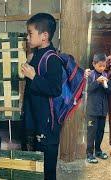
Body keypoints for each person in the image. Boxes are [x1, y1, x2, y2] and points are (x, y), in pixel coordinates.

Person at [21, 13, 63, 180]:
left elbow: (55, 89)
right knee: (36, 166)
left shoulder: (53, 58)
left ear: (44, 36)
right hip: (36, 120)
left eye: (30, 33)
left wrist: (33, 77)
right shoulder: (37, 54)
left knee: (47, 169)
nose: (27, 36)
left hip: (48, 125)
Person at [86, 53, 111, 163]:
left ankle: (98, 150)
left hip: (102, 110)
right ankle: (89, 153)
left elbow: (110, 92)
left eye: (104, 66)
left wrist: (106, 84)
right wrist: (97, 82)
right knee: (91, 132)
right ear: (94, 64)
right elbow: (88, 90)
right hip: (92, 110)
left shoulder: (106, 75)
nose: (102, 68)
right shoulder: (90, 75)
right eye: (100, 65)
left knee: (100, 131)